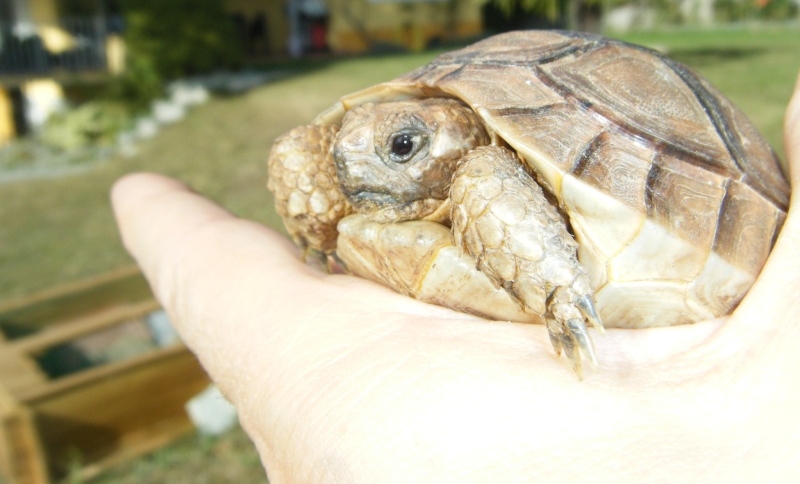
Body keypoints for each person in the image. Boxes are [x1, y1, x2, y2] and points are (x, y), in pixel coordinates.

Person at [112, 72, 800, 483]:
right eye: (353, 146)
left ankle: (553, 285)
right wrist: (314, 220)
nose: (354, 168)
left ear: (459, 134)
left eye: (401, 148)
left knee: (481, 182)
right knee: (303, 147)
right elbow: (311, 156)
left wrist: (550, 278)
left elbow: (487, 174)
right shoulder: (348, 159)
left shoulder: (480, 167)